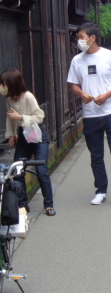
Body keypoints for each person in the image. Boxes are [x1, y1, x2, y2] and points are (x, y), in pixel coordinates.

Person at [67, 22, 111, 206]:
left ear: (92, 37)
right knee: (96, 155)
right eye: (78, 37)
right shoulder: (77, 60)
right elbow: (73, 85)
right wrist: (81, 94)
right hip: (90, 114)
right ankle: (100, 190)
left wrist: (107, 95)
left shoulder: (110, 56)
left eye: (81, 37)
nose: (79, 41)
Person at [0, 69, 56, 216]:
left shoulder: (28, 97)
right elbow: (10, 118)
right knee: (17, 171)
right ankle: (23, 205)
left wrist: (20, 117)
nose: (2, 86)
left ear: (12, 83)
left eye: (4, 83)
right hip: (23, 136)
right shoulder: (9, 99)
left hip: (37, 136)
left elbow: (39, 116)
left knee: (41, 170)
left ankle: (49, 205)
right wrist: (11, 135)